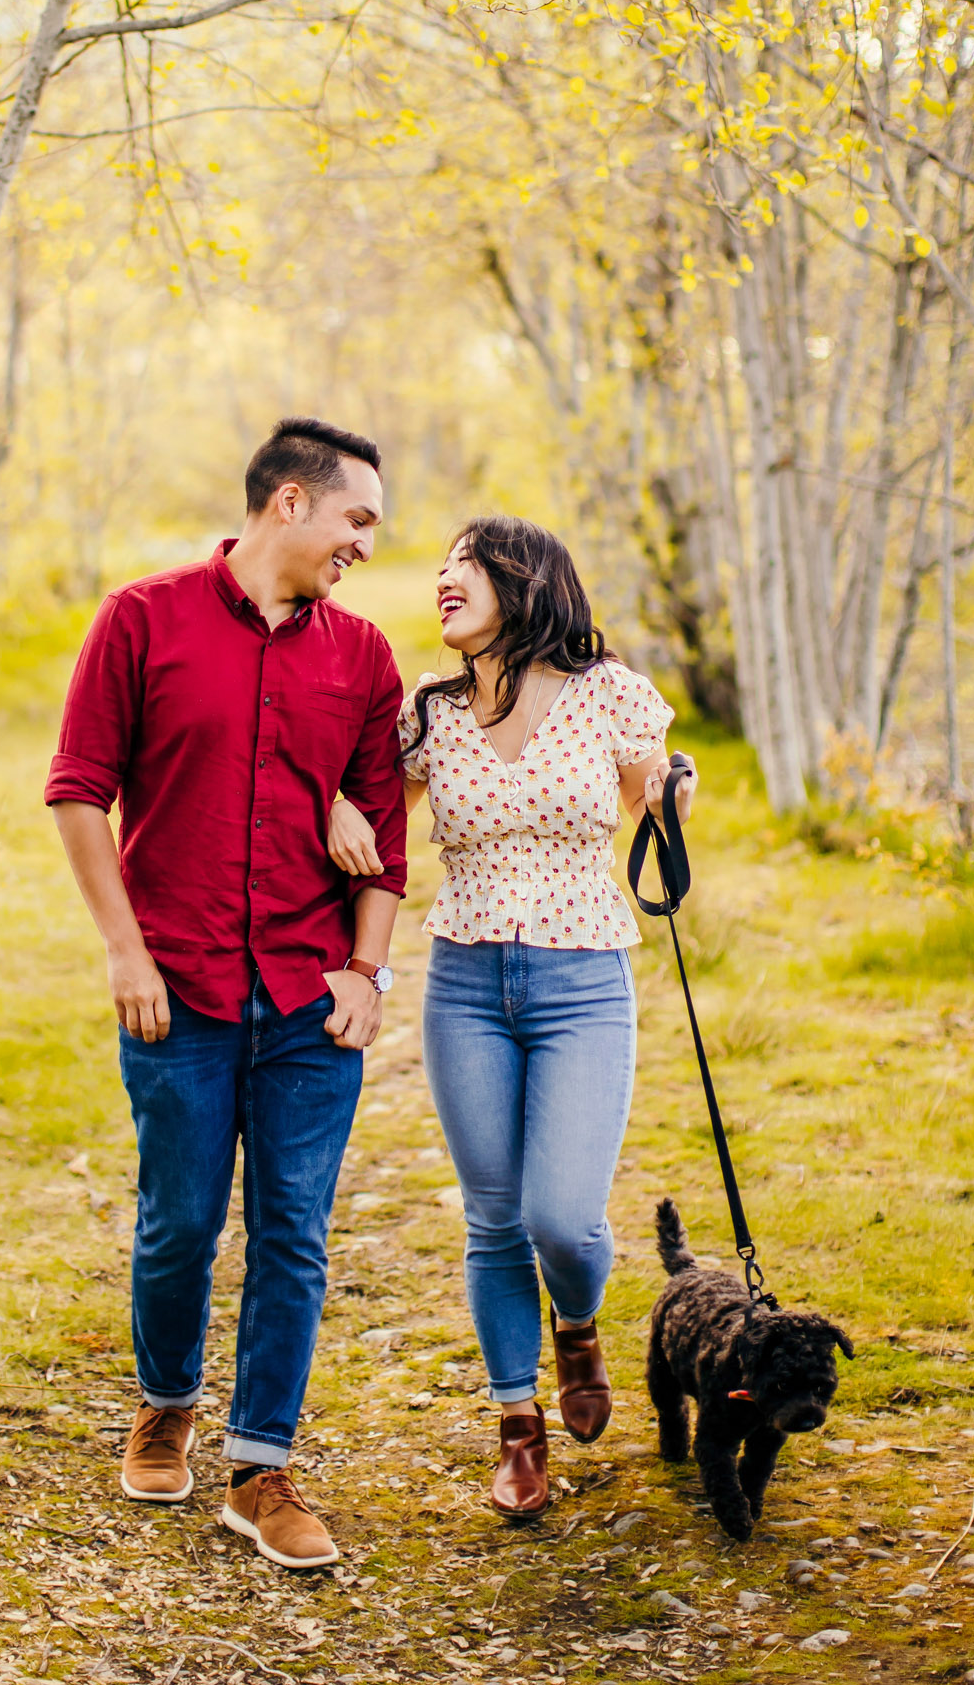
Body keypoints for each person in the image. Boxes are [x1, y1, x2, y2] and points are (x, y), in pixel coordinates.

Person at [48, 418, 407, 1570]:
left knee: (292, 1234)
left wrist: (364, 972)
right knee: (181, 1223)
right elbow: (76, 793)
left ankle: (261, 1470)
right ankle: (164, 1401)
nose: (364, 545)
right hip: (178, 991)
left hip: (307, 1000)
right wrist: (123, 950)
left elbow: (385, 839)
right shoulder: (139, 620)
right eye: (357, 519)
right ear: (289, 503)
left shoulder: (362, 659)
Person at [327, 516, 695, 1520]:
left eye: (463, 564)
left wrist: (668, 795)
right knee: (493, 1221)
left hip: (582, 983)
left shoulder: (607, 691)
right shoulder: (429, 711)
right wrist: (333, 806)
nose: (442, 579)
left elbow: (641, 800)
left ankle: (575, 1321)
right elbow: (374, 810)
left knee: (560, 1219)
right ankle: (516, 1425)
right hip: (463, 984)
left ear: (523, 579)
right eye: (439, 566)